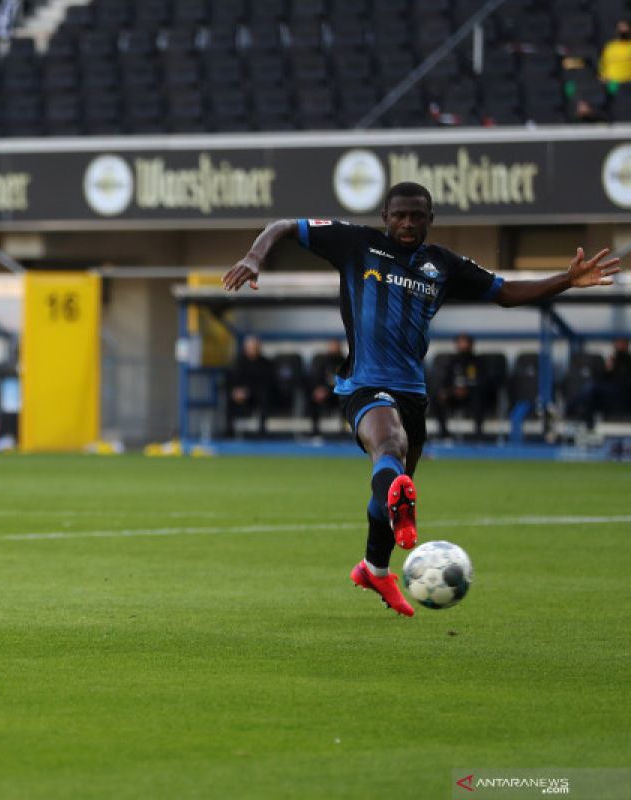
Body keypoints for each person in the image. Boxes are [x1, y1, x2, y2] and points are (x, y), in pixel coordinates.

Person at [222, 181, 621, 617]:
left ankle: (374, 568)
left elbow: (505, 292)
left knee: (390, 491)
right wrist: (254, 257)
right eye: (399, 215)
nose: (408, 223)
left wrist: (566, 279)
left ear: (430, 219)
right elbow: (282, 225)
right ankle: (390, 526)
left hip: (413, 392)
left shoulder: (442, 264)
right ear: (385, 217)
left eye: (417, 215)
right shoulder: (356, 243)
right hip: (363, 383)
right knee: (388, 446)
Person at [433, 333, 489, 439]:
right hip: (454, 395)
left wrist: (467, 389)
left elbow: (483, 382)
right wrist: (447, 391)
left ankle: (478, 434)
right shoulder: (452, 362)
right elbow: (445, 381)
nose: (462, 345)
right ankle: (444, 433)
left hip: (472, 395)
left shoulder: (478, 362)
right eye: (460, 343)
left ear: (471, 345)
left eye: (465, 343)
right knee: (437, 397)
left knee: (479, 396)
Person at [224, 334, 275, 437]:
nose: (252, 350)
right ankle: (229, 431)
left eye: (255, 347)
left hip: (257, 394)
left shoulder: (265, 363)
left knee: (263, 397)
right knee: (230, 398)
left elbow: (268, 382)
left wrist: (249, 391)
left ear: (259, 348)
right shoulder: (238, 362)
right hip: (240, 394)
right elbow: (230, 380)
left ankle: (262, 432)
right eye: (250, 347)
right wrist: (235, 391)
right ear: (245, 348)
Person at [306, 339, 344, 436]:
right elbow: (317, 377)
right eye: (332, 346)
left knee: (347, 399)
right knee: (312, 398)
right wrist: (318, 389)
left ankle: (344, 430)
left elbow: (346, 381)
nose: (334, 349)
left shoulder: (345, 362)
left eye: (336, 347)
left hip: (339, 393)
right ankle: (315, 430)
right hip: (324, 392)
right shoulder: (322, 362)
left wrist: (329, 390)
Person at [599, 19, 631, 87]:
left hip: (628, 83)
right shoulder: (610, 47)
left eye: (625, 28)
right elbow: (603, 64)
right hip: (612, 83)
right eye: (620, 28)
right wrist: (603, 77)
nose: (623, 30)